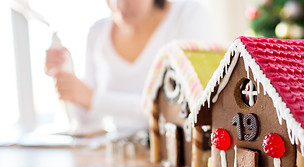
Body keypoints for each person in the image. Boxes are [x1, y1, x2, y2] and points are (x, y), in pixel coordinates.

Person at [45, 0, 214, 135]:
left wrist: (93, 99)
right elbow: (86, 122)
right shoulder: (98, 32)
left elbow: (185, 111)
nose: (119, 5)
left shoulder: (188, 15)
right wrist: (65, 74)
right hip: (117, 158)